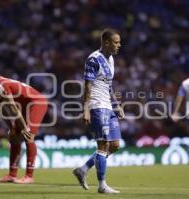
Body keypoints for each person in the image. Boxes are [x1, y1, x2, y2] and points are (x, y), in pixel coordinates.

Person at [73, 28, 124, 194]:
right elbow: (87, 85)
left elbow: (109, 86)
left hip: (108, 105)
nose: (119, 45)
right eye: (116, 42)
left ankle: (83, 169)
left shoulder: (111, 60)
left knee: (115, 145)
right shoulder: (93, 59)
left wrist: (117, 105)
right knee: (103, 145)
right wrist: (86, 109)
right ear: (106, 42)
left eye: (119, 42)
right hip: (96, 105)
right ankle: (102, 185)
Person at [0, 70, 48, 184]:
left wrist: (24, 128)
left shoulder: (1, 87)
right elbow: (1, 109)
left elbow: (13, 109)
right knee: (13, 137)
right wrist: (11, 127)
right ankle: (12, 175)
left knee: (28, 136)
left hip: (36, 103)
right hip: (24, 105)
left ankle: (29, 176)